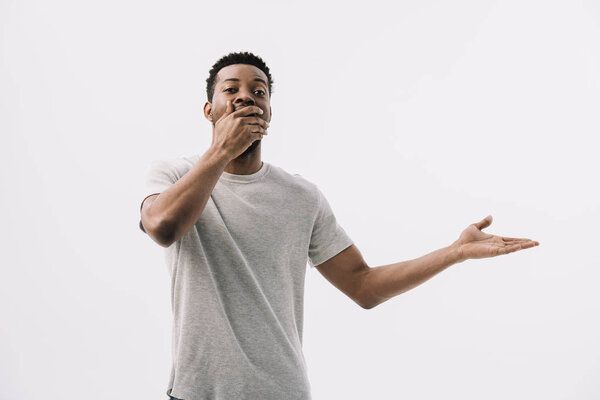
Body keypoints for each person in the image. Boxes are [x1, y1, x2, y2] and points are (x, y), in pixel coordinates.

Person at [138, 51, 539, 400]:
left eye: (259, 91)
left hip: (283, 392)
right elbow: (162, 227)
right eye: (231, 89)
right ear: (209, 110)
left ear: (271, 112)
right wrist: (221, 150)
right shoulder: (175, 174)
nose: (246, 95)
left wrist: (455, 252)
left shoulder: (301, 197)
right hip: (196, 393)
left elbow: (364, 287)